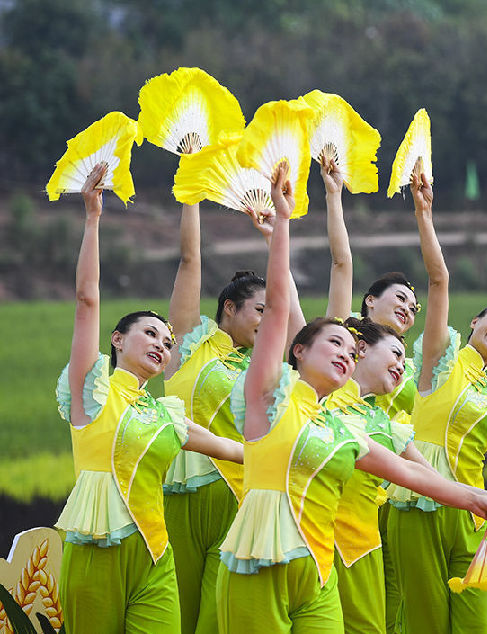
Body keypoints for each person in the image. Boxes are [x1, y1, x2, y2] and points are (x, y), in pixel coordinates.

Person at [215, 162, 487, 633]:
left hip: (320, 570)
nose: (348, 355)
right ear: (298, 349)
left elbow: (410, 471)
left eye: (352, 352)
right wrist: (283, 223)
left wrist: (477, 499)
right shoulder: (269, 396)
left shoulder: (344, 426)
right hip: (259, 558)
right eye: (337, 344)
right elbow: (283, 306)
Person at [54, 164, 244, 633]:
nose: (162, 342)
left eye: (167, 338)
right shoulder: (92, 394)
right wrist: (93, 218)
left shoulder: (166, 414)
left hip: (156, 557)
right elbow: (86, 300)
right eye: (150, 333)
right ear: (116, 340)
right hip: (97, 549)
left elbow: (238, 452)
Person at [387, 170, 487, 634]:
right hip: (420, 497)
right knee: (427, 620)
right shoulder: (438, 361)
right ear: (475, 321)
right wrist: (424, 213)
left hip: (473, 509)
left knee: (475, 620)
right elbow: (438, 281)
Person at [161, 183, 304, 633]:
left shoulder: (267, 368)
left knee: (216, 618)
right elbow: (190, 261)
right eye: (260, 309)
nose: (269, 319)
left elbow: (302, 333)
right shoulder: (189, 345)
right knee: (177, 613)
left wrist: (273, 236)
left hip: (241, 497)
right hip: (175, 495)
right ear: (229, 307)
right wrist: (191, 186)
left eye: (271, 310)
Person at [325, 317, 439, 634]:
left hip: (363, 545)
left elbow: (428, 477)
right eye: (395, 354)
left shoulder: (384, 422)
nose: (403, 365)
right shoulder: (321, 398)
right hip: (315, 536)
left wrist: (483, 501)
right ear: (361, 348)